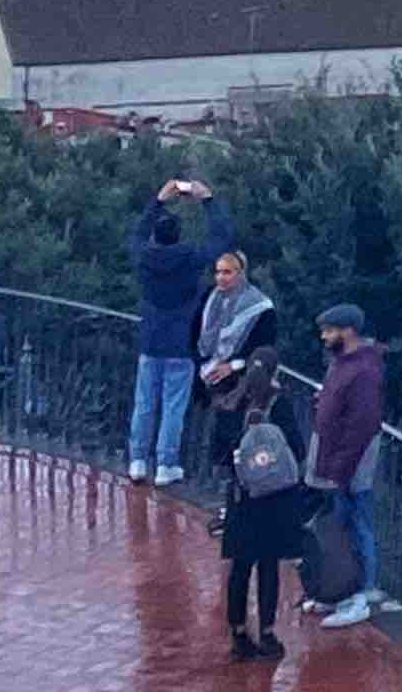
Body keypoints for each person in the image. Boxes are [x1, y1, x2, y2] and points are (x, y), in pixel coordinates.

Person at [130, 174, 233, 486]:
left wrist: (158, 201)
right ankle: (166, 463)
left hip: (151, 338)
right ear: (177, 236)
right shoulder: (191, 259)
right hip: (182, 340)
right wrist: (208, 199)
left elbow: (135, 234)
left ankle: (137, 460)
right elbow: (222, 240)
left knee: (144, 402)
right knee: (173, 405)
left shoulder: (144, 257)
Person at [217, 344, 312, 661]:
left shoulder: (231, 401)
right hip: (273, 502)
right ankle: (268, 634)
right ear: (276, 372)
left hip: (241, 499)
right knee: (268, 566)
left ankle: (239, 634)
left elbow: (218, 453)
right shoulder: (280, 404)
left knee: (239, 569)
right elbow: (297, 450)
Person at [302, 303, 391, 629]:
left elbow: (361, 426)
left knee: (353, 525)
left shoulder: (363, 370)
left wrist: (339, 471)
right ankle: (336, 591)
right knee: (336, 528)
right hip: (336, 463)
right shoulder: (344, 362)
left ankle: (359, 594)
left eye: (329, 330)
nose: (324, 336)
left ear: (348, 330)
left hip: (349, 467)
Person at [194, 245, 282, 494]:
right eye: (218, 272)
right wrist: (205, 364)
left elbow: (265, 346)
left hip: (241, 379)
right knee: (211, 429)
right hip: (208, 373)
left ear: (241, 273)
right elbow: (197, 336)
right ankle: (213, 479)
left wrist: (233, 365)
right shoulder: (211, 299)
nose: (221, 277)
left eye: (228, 272)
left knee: (233, 431)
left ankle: (232, 486)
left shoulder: (261, 307)